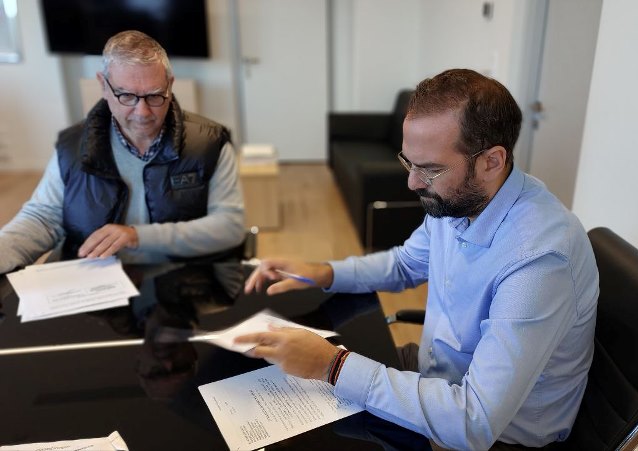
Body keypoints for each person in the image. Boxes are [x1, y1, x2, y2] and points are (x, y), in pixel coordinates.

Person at [236, 69, 599, 450]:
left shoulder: (539, 261)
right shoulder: (462, 199)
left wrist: (333, 365)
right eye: (409, 162)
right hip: (434, 379)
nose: (412, 182)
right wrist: (324, 272)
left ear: (492, 162)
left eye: (430, 169)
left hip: (493, 436)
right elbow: (405, 264)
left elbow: (474, 422)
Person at [0, 30, 244, 274]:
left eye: (154, 95)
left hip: (180, 279)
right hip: (96, 280)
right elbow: (43, 218)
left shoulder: (209, 143)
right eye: (126, 96)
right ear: (103, 86)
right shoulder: (73, 146)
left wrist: (137, 236)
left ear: (170, 86)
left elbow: (229, 226)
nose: (142, 112)